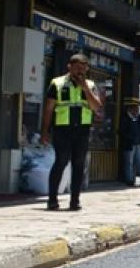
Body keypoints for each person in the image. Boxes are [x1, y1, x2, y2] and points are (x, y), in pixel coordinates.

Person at [40, 53, 104, 211]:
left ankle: (75, 200)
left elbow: (96, 106)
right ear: (69, 67)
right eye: (77, 69)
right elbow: (48, 109)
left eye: (83, 69)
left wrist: (85, 88)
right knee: (61, 161)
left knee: (78, 164)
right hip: (63, 128)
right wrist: (45, 131)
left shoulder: (90, 85)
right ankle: (52, 199)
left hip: (82, 129)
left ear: (87, 69)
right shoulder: (57, 83)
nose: (80, 72)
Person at [120, 98, 140, 186]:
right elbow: (121, 132)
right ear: (130, 109)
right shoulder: (125, 118)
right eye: (135, 109)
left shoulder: (139, 118)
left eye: (137, 108)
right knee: (129, 162)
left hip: (139, 144)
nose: (137, 110)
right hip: (129, 144)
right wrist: (130, 138)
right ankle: (129, 180)